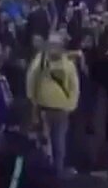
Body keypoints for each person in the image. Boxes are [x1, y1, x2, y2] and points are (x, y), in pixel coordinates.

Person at [28, 33, 79, 177]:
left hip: (62, 110)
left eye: (57, 45)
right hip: (43, 109)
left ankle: (58, 170)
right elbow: (31, 80)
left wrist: (71, 106)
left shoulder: (68, 64)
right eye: (51, 44)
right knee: (44, 143)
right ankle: (45, 172)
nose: (54, 48)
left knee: (59, 143)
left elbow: (74, 86)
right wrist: (33, 100)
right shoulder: (41, 61)